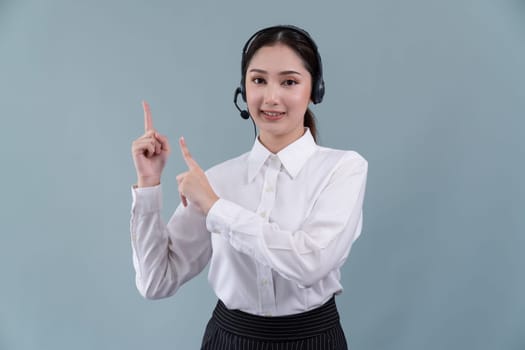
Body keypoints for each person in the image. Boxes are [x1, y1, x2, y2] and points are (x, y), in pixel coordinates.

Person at [130, 25, 368, 350]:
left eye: (289, 81)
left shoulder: (343, 169)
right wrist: (148, 185)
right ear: (243, 90)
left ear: (315, 90)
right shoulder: (216, 181)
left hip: (313, 340)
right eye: (258, 80)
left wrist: (216, 209)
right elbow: (155, 282)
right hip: (228, 340)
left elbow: (310, 264)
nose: (271, 97)